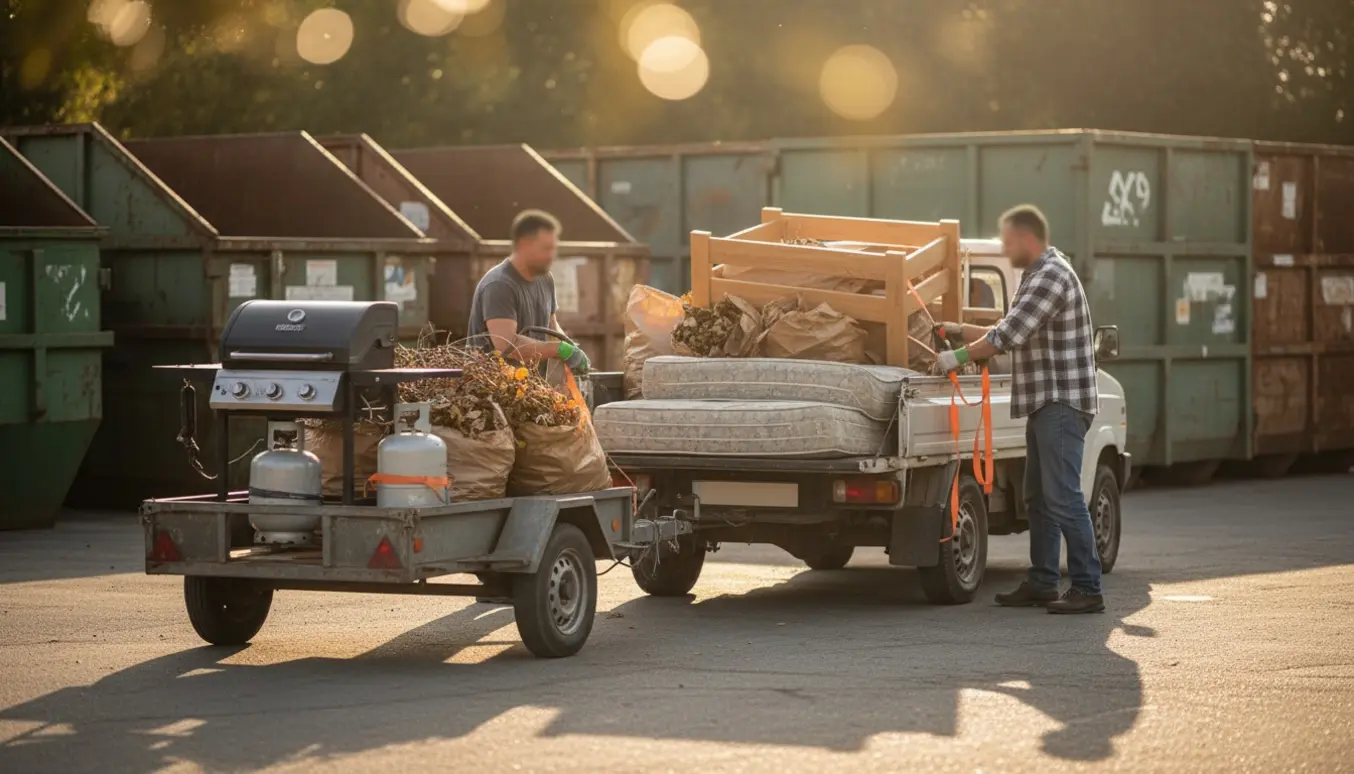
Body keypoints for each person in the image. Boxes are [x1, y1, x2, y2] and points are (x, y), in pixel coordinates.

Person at [932, 205, 1103, 614]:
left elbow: (1008, 335)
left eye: (1008, 241)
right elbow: (1008, 327)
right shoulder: (1037, 274)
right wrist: (957, 330)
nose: (1006, 249)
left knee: (1062, 496)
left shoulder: (1050, 276)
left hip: (1061, 401)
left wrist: (956, 356)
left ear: (1028, 239)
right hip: (1046, 402)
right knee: (1039, 497)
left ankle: (1087, 587)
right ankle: (1043, 581)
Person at [467, 209, 590, 374]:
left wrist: (571, 348)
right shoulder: (499, 285)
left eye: (554, 248)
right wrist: (560, 349)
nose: (552, 255)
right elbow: (508, 346)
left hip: (529, 389)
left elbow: (551, 327)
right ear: (524, 244)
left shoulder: (545, 279)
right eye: (546, 249)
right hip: (492, 388)